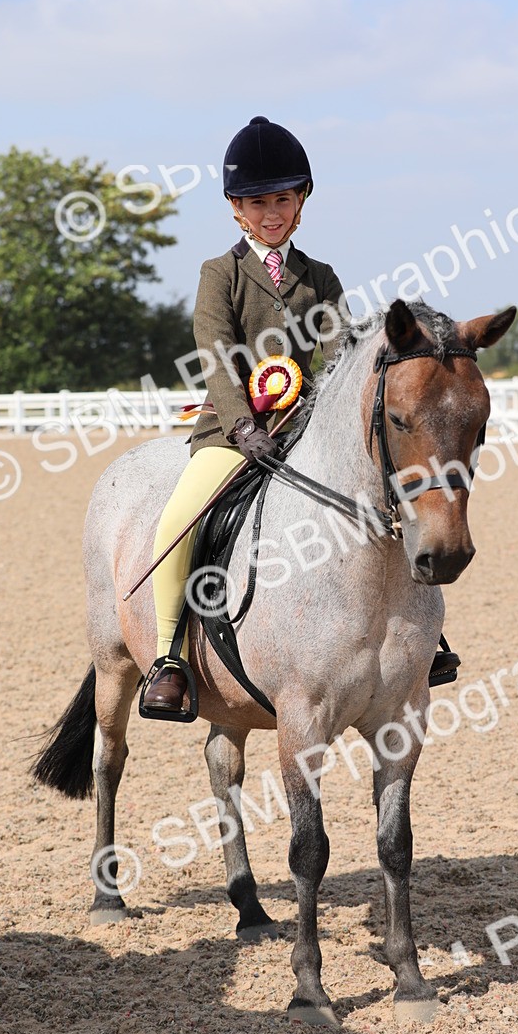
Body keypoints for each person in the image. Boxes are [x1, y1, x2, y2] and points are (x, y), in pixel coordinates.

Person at [143, 116, 348, 712]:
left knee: (382, 494)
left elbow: (336, 356)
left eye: (282, 199)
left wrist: (314, 413)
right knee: (181, 519)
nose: (270, 213)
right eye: (257, 202)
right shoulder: (220, 274)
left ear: (301, 200)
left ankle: (423, 638)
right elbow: (215, 355)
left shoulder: (323, 278)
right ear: (236, 208)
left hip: (306, 428)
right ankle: (169, 655)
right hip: (235, 431)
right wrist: (242, 427)